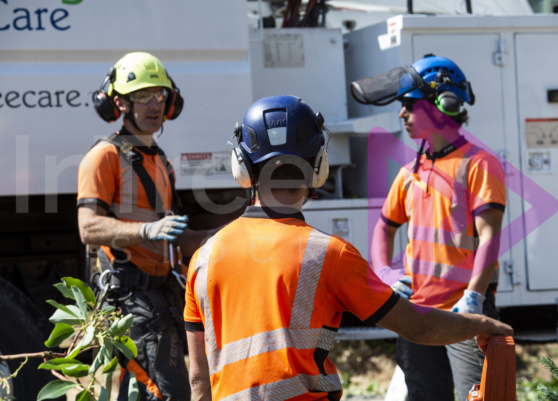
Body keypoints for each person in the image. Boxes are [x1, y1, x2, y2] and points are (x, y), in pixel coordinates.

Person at [184, 95, 512, 401]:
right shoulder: (330, 254)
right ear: (318, 167)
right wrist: (481, 323)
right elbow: (418, 326)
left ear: (241, 167)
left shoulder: (203, 259)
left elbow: (199, 379)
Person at [370, 55, 507, 401]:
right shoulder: (410, 172)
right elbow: (383, 228)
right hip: (417, 314)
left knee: (476, 397)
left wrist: (473, 298)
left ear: (442, 105)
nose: (401, 114)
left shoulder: (479, 164)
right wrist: (385, 273)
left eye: (408, 105)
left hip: (464, 314)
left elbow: (490, 236)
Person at [77, 52, 209, 401]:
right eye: (142, 96)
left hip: (161, 298)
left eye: (160, 95)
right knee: (165, 395)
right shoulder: (104, 156)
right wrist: (145, 231)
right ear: (118, 102)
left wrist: (227, 236)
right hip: (131, 301)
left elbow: (179, 237)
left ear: (171, 101)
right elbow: (88, 228)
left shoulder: (161, 161)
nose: (154, 104)